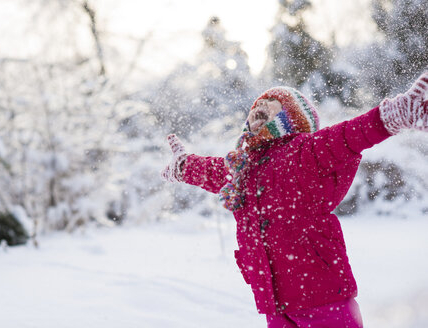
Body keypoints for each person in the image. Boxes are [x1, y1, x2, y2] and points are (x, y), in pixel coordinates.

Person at [161, 72, 428, 327]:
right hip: (274, 303)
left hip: (321, 297)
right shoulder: (243, 168)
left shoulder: (306, 152)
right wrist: (183, 166)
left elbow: (349, 135)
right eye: (258, 102)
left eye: (271, 102)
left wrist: (391, 116)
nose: (261, 104)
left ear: (293, 117)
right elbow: (212, 170)